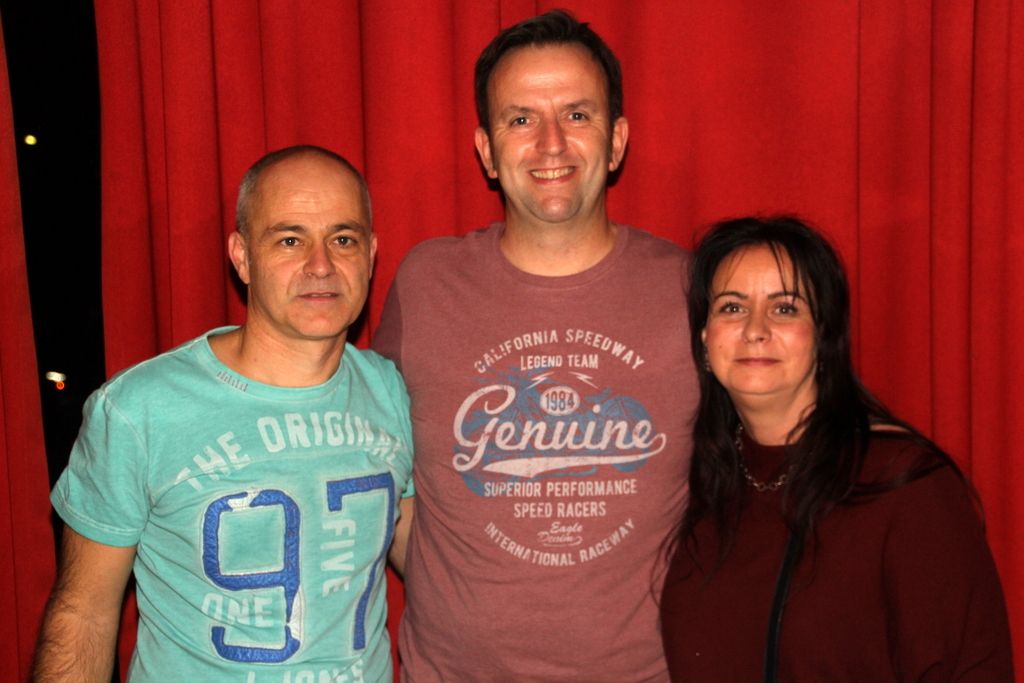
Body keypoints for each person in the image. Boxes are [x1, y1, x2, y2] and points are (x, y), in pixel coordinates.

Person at [373, 10, 698, 681]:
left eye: (577, 114)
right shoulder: (426, 283)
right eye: (521, 119)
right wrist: (441, 569)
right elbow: (373, 454)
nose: (551, 143)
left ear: (617, 141)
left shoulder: (691, 287)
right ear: (487, 151)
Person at [33, 145, 414, 682]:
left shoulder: (390, 391)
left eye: (343, 239)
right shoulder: (140, 409)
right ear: (241, 256)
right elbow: (84, 614)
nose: (321, 265)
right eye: (289, 240)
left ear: (371, 255)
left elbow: (433, 563)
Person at [660, 216, 1013, 680]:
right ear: (705, 340)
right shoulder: (705, 484)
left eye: (784, 308)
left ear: (823, 335)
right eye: (732, 307)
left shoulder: (903, 484)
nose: (755, 329)